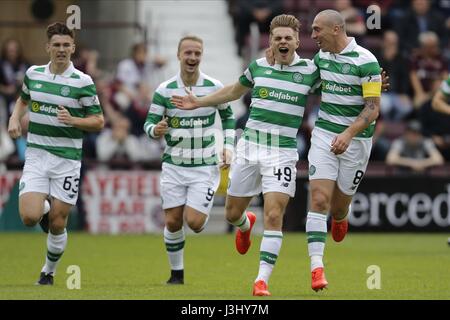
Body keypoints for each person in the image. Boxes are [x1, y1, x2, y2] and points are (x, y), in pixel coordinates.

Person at [171, 15, 321, 296]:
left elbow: (338, 89)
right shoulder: (258, 67)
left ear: (298, 41)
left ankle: (261, 280)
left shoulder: (311, 71)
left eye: (288, 38)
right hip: (250, 148)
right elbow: (233, 91)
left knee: (275, 215)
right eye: (278, 38)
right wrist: (199, 102)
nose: (283, 42)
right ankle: (245, 224)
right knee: (231, 213)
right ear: (271, 41)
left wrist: (370, 87)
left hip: (282, 152)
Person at [7, 22, 104, 285]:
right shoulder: (34, 74)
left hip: (67, 160)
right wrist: (15, 118)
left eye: (66, 45)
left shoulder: (83, 82)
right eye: (56, 45)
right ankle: (43, 207)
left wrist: (74, 121)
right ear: (47, 47)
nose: (61, 50)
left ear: (73, 47)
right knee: (29, 217)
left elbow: (98, 121)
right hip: (37, 155)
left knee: (58, 224)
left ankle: (48, 272)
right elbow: (23, 99)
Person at [143, 35, 235, 285]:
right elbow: (149, 124)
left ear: (201, 55)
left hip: (204, 166)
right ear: (179, 55)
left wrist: (228, 146)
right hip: (173, 165)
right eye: (188, 53)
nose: (192, 57)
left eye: (197, 53)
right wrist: (156, 130)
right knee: (172, 221)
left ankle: (235, 221)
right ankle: (177, 275)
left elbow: (228, 117)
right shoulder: (164, 90)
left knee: (194, 223)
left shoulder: (214, 86)